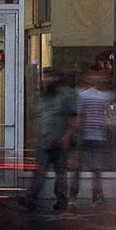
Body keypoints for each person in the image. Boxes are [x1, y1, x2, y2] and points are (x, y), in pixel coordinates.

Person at [22, 70, 76, 212]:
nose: (47, 80)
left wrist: (67, 136)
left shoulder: (67, 95)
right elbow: (36, 118)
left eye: (50, 77)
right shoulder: (42, 98)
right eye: (45, 77)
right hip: (43, 141)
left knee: (61, 172)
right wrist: (33, 137)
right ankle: (31, 198)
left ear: (58, 78)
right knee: (40, 170)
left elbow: (73, 117)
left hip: (60, 140)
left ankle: (61, 200)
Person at [71, 65, 113, 205]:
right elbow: (78, 115)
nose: (96, 78)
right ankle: (74, 196)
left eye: (98, 75)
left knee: (96, 168)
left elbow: (108, 115)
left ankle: (96, 196)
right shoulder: (82, 94)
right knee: (80, 168)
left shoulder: (104, 96)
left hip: (97, 135)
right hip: (85, 135)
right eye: (93, 75)